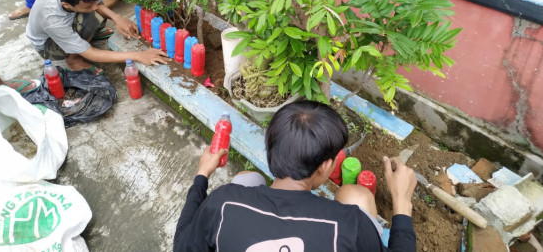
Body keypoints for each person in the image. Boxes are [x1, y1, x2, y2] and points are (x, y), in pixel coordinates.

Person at [174, 100, 418, 252]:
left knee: (247, 179)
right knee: (356, 195)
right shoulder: (348, 225)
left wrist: (202, 174)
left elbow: (182, 244)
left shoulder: (223, 202)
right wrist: (401, 203)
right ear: (325, 166)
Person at [26, 0, 169, 74]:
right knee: (91, 18)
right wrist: (139, 55)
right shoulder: (52, 19)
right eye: (88, 5)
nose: (95, 7)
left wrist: (117, 18)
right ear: (67, 5)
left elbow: (97, 4)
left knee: (95, 12)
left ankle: (87, 34)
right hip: (49, 46)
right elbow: (90, 53)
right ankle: (73, 59)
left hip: (68, 21)